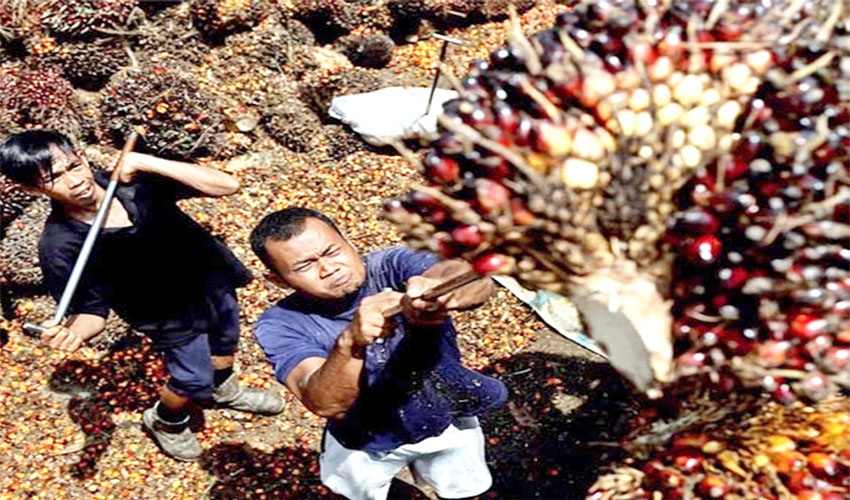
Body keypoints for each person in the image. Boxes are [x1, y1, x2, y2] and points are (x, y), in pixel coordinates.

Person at [0, 130, 284, 461]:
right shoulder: (60, 246)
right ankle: (167, 420)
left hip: (211, 279)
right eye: (54, 178)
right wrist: (72, 333)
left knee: (225, 345)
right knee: (192, 378)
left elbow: (227, 185)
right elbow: (90, 312)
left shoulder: (134, 182)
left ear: (81, 156)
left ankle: (224, 390)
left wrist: (144, 161)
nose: (74, 180)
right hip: (165, 314)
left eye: (74, 166)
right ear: (33, 189)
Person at [250, 207, 508, 500]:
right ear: (278, 280)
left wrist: (438, 290)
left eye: (331, 251)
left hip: (445, 415)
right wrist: (350, 342)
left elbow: (466, 277)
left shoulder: (393, 265)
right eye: (305, 265)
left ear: (347, 240)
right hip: (361, 438)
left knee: (462, 489)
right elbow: (323, 402)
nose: (328, 268)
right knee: (354, 492)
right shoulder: (281, 323)